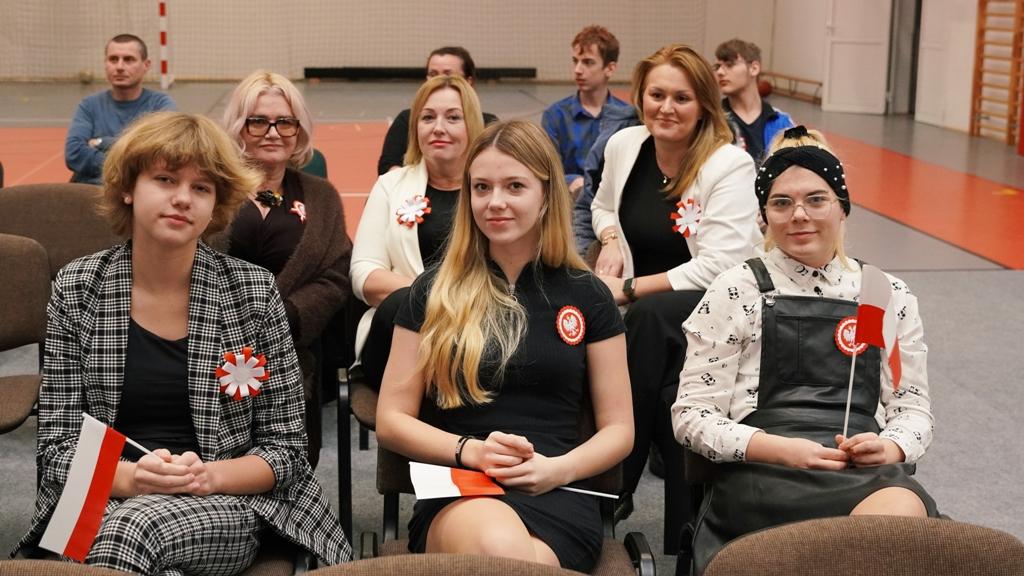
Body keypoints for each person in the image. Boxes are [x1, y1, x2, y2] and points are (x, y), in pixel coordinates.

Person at [17, 112, 351, 573]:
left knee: (132, 529)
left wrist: (205, 476)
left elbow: (287, 450)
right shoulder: (79, 288)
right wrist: (135, 479)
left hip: (226, 500)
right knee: (133, 536)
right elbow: (57, 447)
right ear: (129, 188)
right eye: (165, 179)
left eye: (201, 188)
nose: (182, 198)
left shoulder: (252, 292)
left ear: (216, 205)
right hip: (105, 493)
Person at [672, 126, 939, 574]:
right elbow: (691, 416)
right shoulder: (736, 289)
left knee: (898, 513)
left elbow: (912, 409)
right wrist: (777, 449)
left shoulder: (882, 294)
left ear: (842, 207)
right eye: (781, 203)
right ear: (764, 216)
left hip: (860, 476)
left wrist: (891, 447)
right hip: (765, 475)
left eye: (816, 200)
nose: (799, 215)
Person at [376, 119, 633, 572]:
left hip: (557, 489)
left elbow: (619, 429)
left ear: (546, 195)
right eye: (481, 187)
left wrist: (559, 469)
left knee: (513, 561)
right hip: (462, 487)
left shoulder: (589, 295)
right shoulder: (431, 292)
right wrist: (470, 451)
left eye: (515, 186)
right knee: (503, 551)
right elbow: (392, 420)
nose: (495, 202)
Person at [590, 43, 761, 523]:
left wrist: (629, 289)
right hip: (645, 310)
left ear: (704, 104)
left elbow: (720, 265)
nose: (666, 108)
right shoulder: (625, 146)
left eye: (681, 98)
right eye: (656, 95)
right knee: (650, 361)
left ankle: (614, 486)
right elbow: (601, 206)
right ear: (640, 97)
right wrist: (609, 239)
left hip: (719, 304)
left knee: (648, 318)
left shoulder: (728, 165)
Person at [222, 71, 352, 468]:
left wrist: (284, 318)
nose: (273, 132)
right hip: (213, 342)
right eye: (258, 121)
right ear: (239, 126)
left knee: (286, 466)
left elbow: (336, 275)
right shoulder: (211, 188)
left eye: (285, 122)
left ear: (299, 129)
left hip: (293, 348)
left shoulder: (321, 196)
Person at [352, 75, 485, 392]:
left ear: (472, 125)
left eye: (453, 117)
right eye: (427, 118)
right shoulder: (390, 186)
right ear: (415, 128)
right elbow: (364, 276)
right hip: (399, 335)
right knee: (398, 304)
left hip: (479, 330)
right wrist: (439, 298)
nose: (438, 127)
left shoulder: (492, 189)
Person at [65, 34, 177, 184]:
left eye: (129, 60)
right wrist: (131, 164)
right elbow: (74, 154)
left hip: (137, 192)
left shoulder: (160, 105)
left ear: (146, 65)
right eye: (113, 59)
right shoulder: (89, 105)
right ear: (105, 64)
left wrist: (101, 143)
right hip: (91, 189)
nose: (119, 67)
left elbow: (161, 155)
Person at [377, 46, 498, 174]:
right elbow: (388, 165)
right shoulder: (407, 119)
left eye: (448, 74)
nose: (439, 80)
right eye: (433, 74)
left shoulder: (488, 124)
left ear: (469, 81)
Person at [541, 25, 631, 198]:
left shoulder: (626, 117)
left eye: (588, 62)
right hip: (568, 199)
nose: (578, 70)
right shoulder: (555, 116)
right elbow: (547, 169)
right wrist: (572, 181)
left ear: (610, 68)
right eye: (575, 61)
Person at [714, 38, 794, 162]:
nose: (719, 72)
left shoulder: (782, 123)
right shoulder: (712, 120)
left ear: (754, 68)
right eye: (717, 66)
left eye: (729, 64)